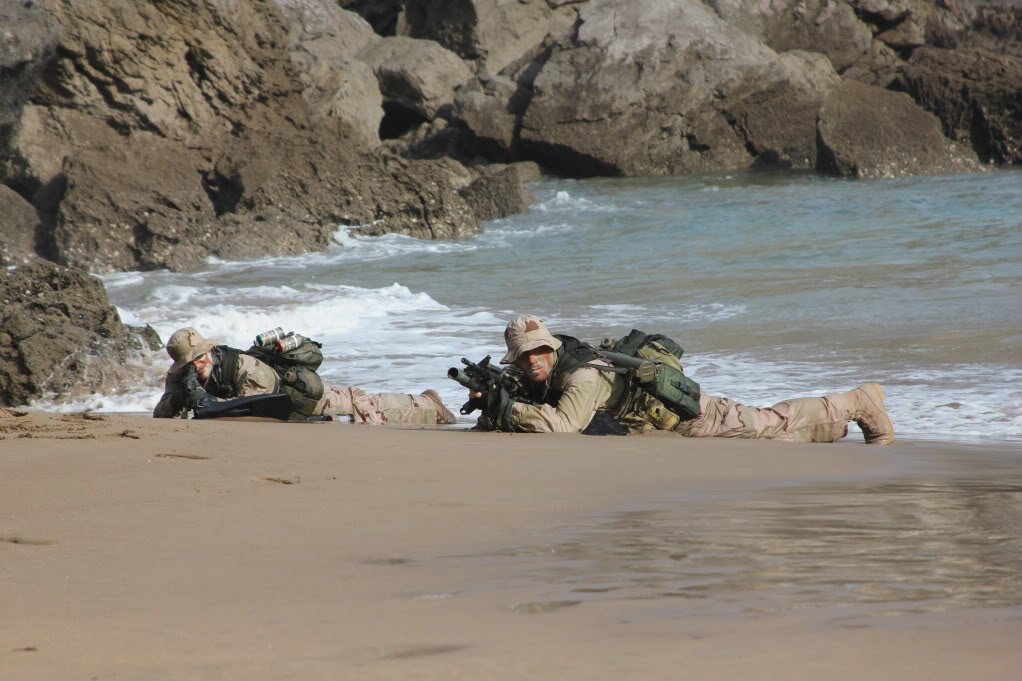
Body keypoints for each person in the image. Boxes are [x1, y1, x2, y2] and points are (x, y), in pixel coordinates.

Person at [468, 314, 894, 444]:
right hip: (656, 424)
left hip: (688, 415)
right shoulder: (548, 367)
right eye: (522, 359)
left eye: (536, 352)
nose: (531, 363)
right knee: (777, 443)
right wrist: (496, 402)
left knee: (770, 423)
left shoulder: (580, 375)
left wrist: (508, 409)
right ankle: (834, 427)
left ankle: (860, 400)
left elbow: (562, 426)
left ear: (550, 346)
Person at [154, 327, 457, 424]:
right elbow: (161, 415)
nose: (195, 367)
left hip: (321, 403)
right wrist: (181, 395)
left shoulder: (244, 367)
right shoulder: (184, 375)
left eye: (198, 361)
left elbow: (256, 409)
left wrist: (204, 400)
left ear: (208, 353)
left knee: (371, 410)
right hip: (298, 412)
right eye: (187, 365)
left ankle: (432, 405)